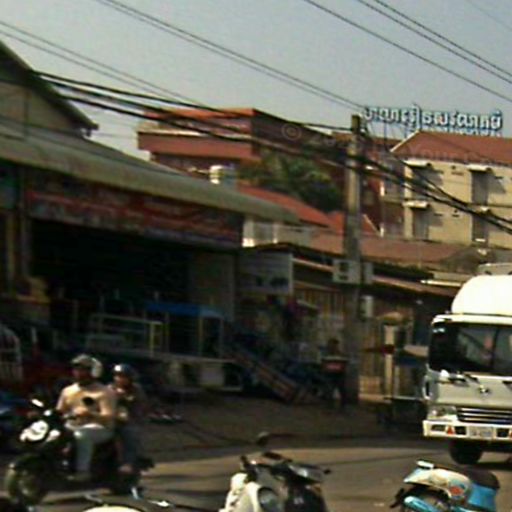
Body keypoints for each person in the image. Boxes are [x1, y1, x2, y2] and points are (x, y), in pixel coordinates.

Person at [56, 354, 116, 481]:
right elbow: (60, 411)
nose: (79, 373)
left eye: (83, 370)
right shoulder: (68, 391)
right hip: (72, 425)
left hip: (100, 428)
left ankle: (83, 471)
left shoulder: (104, 392)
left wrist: (90, 414)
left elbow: (109, 416)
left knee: (82, 435)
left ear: (93, 372)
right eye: (76, 369)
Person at [109, 363, 147, 473]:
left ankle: (128, 462)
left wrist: (124, 397)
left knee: (129, 434)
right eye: (117, 376)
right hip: (109, 418)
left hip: (130, 420)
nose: (119, 379)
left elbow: (137, 402)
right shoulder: (109, 388)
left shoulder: (136, 389)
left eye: (123, 376)